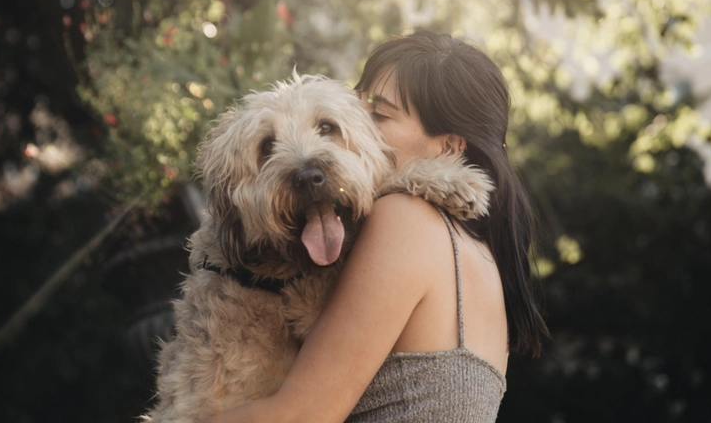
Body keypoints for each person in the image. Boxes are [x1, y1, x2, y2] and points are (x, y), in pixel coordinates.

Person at [216, 31, 549, 422]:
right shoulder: (475, 251)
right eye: (359, 106)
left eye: (379, 114)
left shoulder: (405, 217)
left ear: (447, 146)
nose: (358, 125)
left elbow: (299, 416)